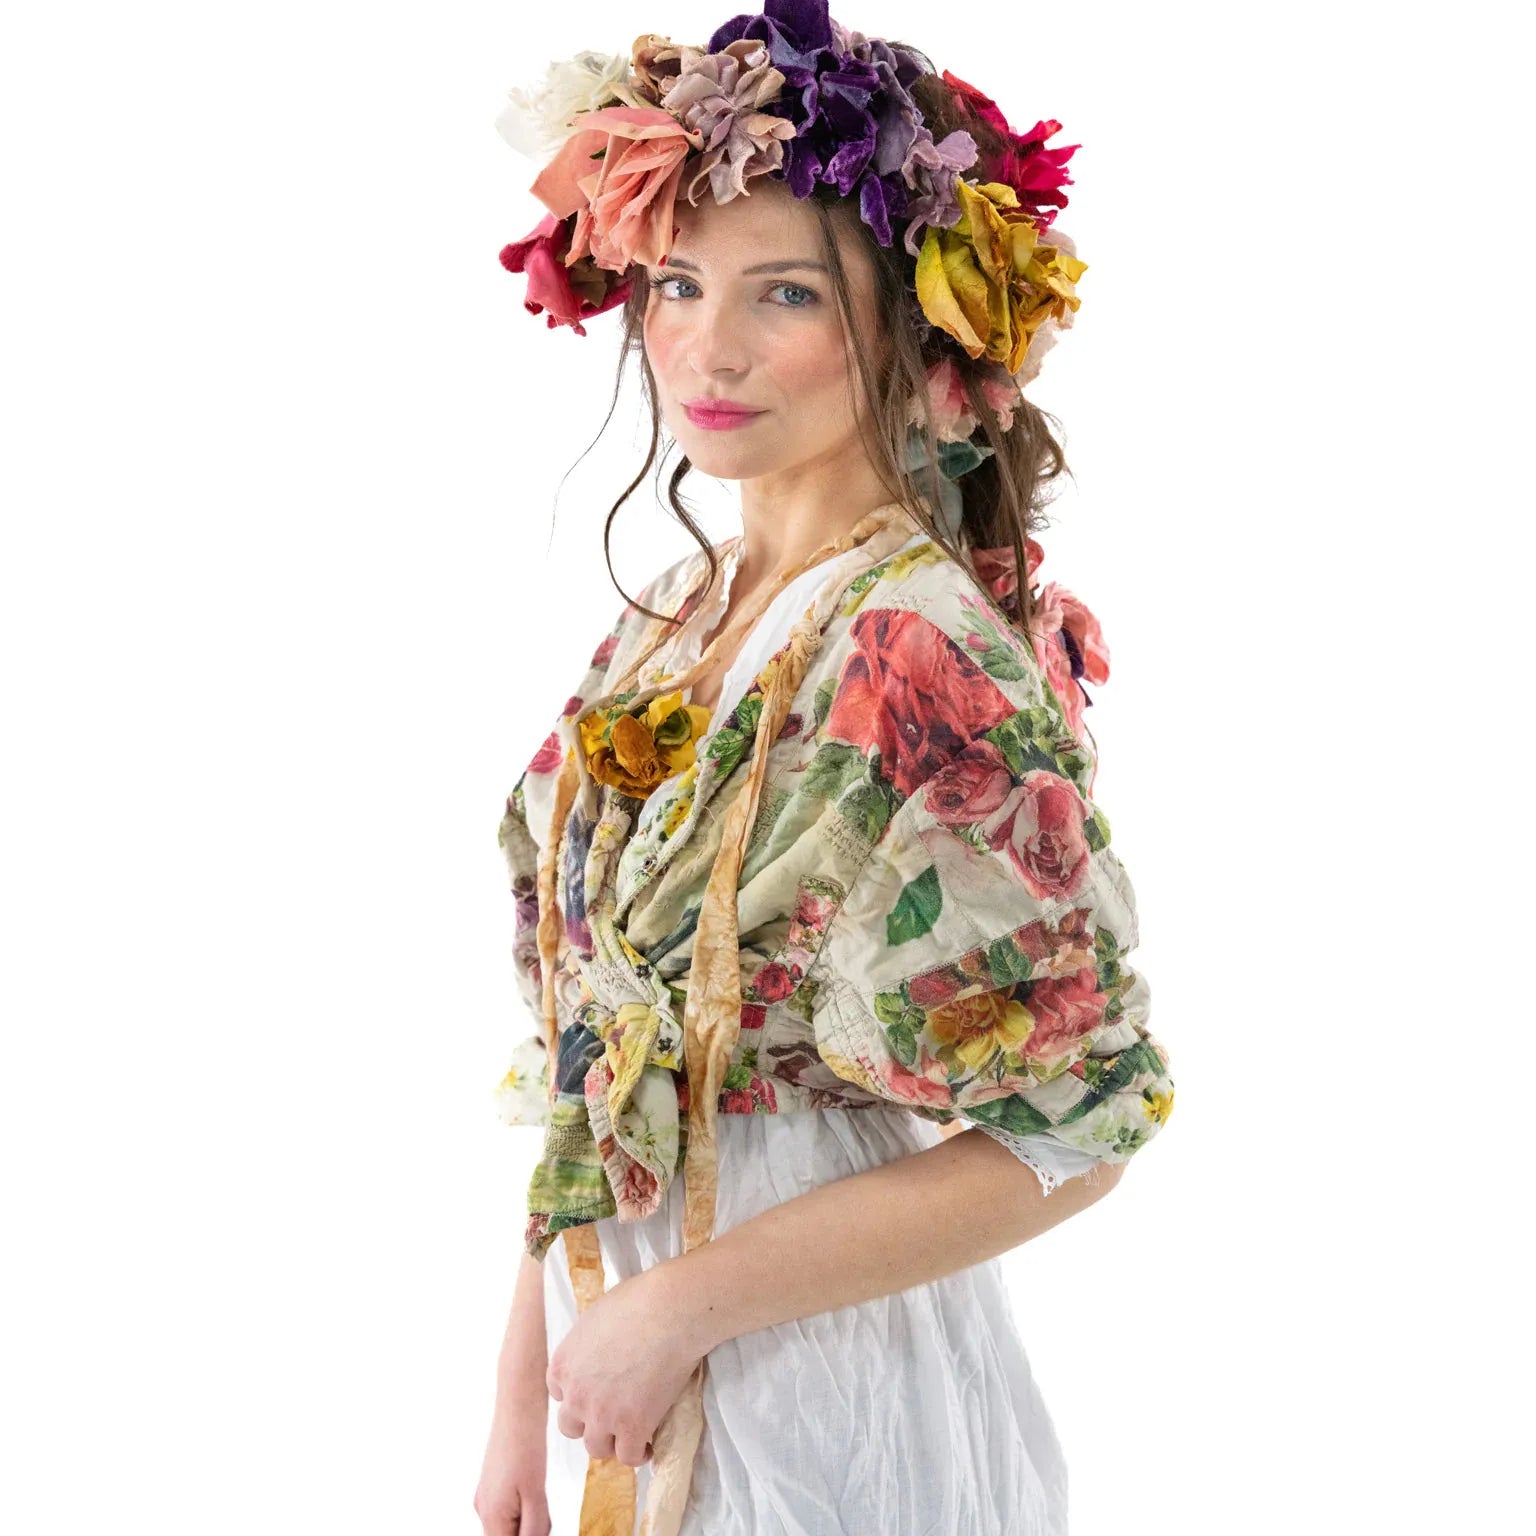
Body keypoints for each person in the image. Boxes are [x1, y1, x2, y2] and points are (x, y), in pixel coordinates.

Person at [476, 7, 1177, 1533]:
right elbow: (596, 1062)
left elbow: (1083, 1124)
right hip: (620, 1370)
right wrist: (522, 1398)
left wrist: (681, 1310)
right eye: (677, 283)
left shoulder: (913, 648)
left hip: (825, 1397)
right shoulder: (675, 618)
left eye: (783, 293)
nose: (707, 346)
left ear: (916, 334)